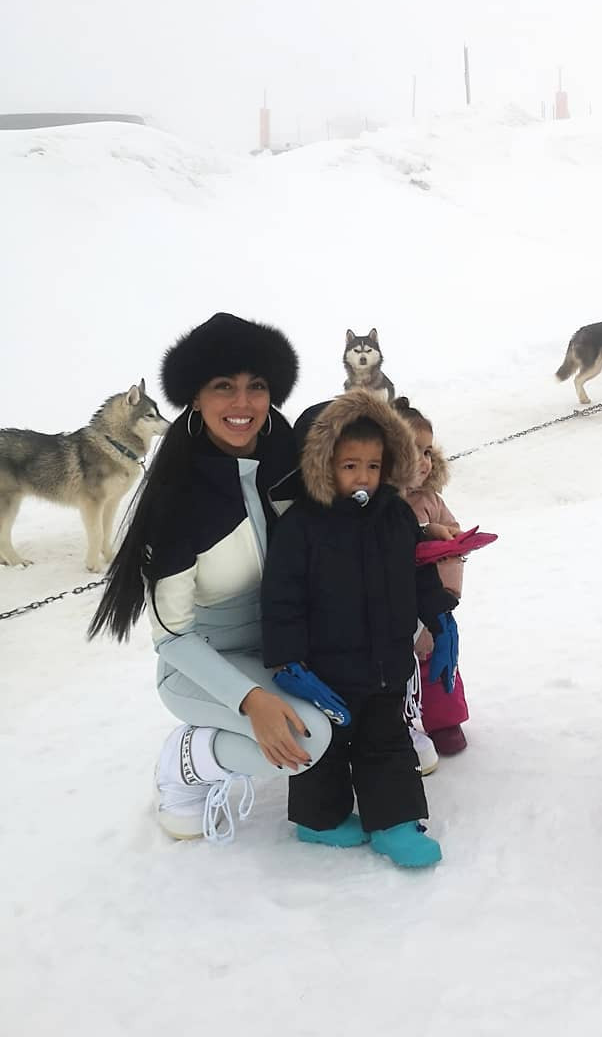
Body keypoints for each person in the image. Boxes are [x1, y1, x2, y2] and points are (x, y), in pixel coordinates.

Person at [88, 312, 334, 843]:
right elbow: (172, 636)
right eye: (224, 387)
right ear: (196, 398)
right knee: (309, 738)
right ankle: (187, 761)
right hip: (205, 664)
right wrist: (251, 699)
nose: (242, 404)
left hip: (284, 642)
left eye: (256, 387)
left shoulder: (285, 453)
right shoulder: (177, 500)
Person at [260, 388, 459, 868]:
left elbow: (415, 574)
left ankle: (393, 823)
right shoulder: (302, 527)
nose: (363, 476)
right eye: (350, 465)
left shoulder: (395, 515)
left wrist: (440, 614)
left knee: (385, 739)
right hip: (325, 669)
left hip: (387, 662)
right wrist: (287, 660)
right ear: (324, 465)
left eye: (373, 465)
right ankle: (318, 820)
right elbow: (281, 598)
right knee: (325, 749)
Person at [393, 396, 471, 759]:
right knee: (397, 673)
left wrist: (446, 538)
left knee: (438, 662)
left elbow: (453, 536)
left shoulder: (430, 499)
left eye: (428, 452)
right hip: (395, 612)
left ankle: (445, 721)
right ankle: (400, 723)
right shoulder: (378, 505)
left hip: (434, 603)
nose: (424, 462)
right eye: (414, 451)